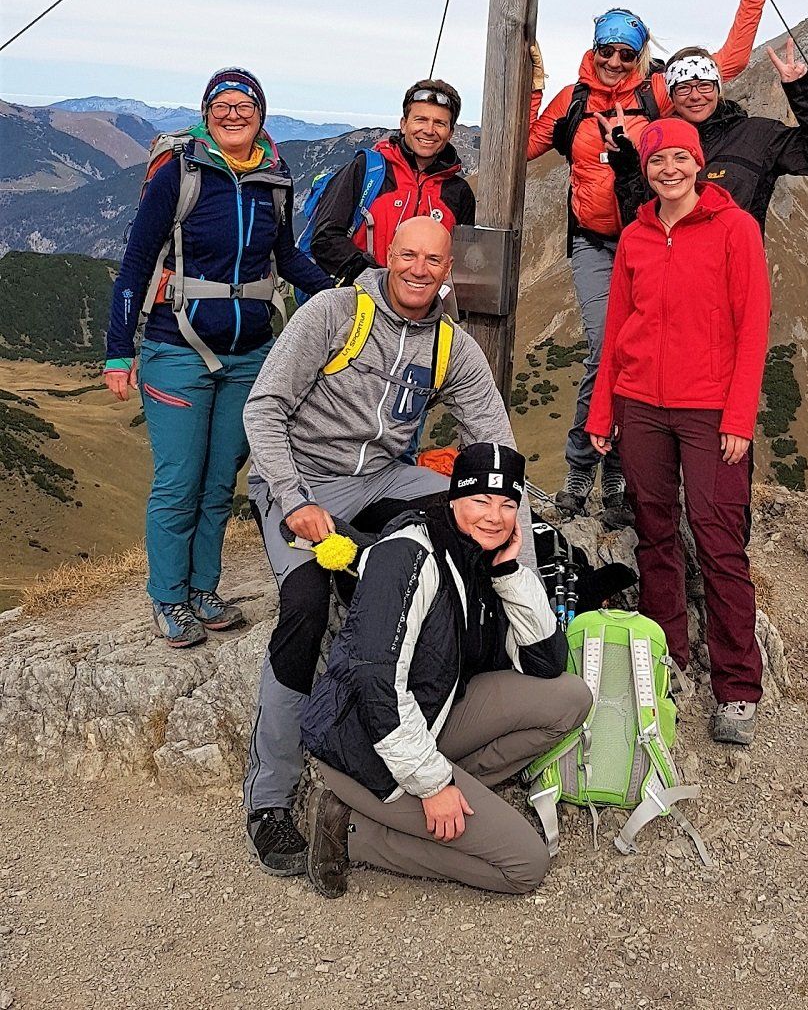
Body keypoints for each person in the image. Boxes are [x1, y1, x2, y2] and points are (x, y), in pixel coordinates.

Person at [241, 216, 537, 878]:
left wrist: (507, 526)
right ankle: (269, 802)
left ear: (447, 270)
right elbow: (263, 408)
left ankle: (453, 724)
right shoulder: (334, 313)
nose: (419, 270)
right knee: (306, 606)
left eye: (433, 260)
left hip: (379, 478)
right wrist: (294, 498)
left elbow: (495, 440)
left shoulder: (450, 345)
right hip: (300, 482)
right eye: (408, 255)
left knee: (467, 529)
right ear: (387, 255)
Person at [526, 0, 781, 524]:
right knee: (604, 350)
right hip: (594, 244)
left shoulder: (656, 93)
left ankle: (618, 472)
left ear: (639, 56)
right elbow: (522, 146)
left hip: (650, 240)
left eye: (627, 53)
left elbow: (725, 64)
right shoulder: (571, 102)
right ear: (594, 49)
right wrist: (534, 89)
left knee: (635, 356)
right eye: (607, 50)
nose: (616, 62)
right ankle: (582, 468)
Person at [298, 442, 592, 898]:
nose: (494, 517)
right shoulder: (409, 554)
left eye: (507, 504)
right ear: (453, 498)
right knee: (525, 865)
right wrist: (434, 785)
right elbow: (374, 680)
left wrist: (509, 572)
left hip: (431, 714)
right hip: (362, 743)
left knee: (571, 698)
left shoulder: (478, 553)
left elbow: (546, 663)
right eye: (481, 500)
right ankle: (352, 828)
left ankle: (446, 789)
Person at [103, 67, 332, 649]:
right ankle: (169, 597)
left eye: (244, 106)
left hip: (250, 356)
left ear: (260, 114)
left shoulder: (273, 178)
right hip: (176, 347)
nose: (233, 115)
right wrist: (117, 351)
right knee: (179, 481)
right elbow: (136, 263)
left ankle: (203, 590)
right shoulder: (179, 172)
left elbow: (286, 256)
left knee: (218, 483)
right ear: (206, 114)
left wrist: (342, 294)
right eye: (222, 105)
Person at [586, 118, 771, 749]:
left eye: (679, 158)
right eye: (657, 160)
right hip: (640, 403)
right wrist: (603, 413)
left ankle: (738, 685)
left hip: (709, 409)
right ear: (646, 169)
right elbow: (617, 328)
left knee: (719, 539)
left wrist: (739, 418)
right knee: (654, 529)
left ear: (697, 164)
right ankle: (667, 654)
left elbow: (753, 328)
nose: (668, 169)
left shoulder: (735, 228)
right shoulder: (635, 236)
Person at [609, 36, 808, 235]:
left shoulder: (757, 135)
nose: (695, 96)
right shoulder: (659, 143)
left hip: (734, 270)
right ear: (671, 95)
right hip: (673, 272)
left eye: (705, 85)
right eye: (683, 88)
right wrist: (627, 168)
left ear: (718, 89)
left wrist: (800, 91)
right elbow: (639, 220)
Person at [308, 78, 474, 285]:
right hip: (361, 298)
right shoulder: (367, 169)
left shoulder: (460, 193)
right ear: (403, 124)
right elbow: (325, 238)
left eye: (439, 123)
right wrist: (377, 281)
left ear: (450, 133)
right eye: (420, 119)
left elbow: (461, 264)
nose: (429, 130)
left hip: (426, 301)